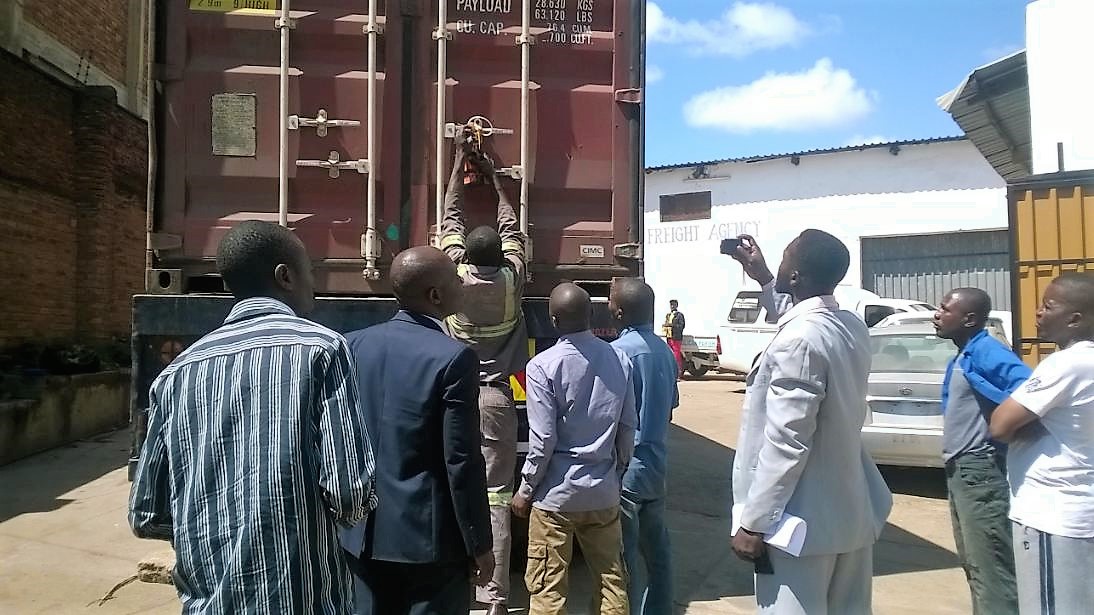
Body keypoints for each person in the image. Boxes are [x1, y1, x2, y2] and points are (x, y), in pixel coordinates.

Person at [129, 220, 378, 614]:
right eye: (310, 271)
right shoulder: (321, 349)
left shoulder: (176, 373)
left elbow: (147, 514)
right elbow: (348, 495)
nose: (314, 284)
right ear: (285, 276)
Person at [729, 230, 892, 615]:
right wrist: (764, 278)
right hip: (848, 515)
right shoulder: (849, 325)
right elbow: (797, 314)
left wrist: (755, 522)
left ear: (796, 276)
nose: (780, 261)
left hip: (798, 527)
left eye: (786, 256)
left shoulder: (799, 340)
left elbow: (787, 441)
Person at [340, 246, 494, 615]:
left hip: (361, 536)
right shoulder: (454, 357)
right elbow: (461, 460)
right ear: (435, 295)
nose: (463, 283)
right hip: (428, 545)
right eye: (456, 279)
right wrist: (479, 543)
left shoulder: (352, 345)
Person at [439, 145, 529, 614]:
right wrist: (497, 183)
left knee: (448, 487)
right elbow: (512, 229)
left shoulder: (453, 277)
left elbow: (449, 220)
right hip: (496, 400)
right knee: (496, 498)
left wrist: (458, 168)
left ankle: (449, 584)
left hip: (452, 400)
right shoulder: (513, 278)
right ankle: (495, 599)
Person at [511, 283, 638, 615]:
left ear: (553, 320)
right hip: (603, 493)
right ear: (591, 315)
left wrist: (525, 490)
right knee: (612, 583)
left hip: (555, 498)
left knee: (548, 591)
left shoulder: (542, 366)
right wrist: (616, 474)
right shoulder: (620, 359)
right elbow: (627, 427)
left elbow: (543, 439)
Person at [990, 272, 1094, 615]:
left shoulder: (1068, 363)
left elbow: (1000, 424)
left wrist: (1024, 426)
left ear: (1074, 319)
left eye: (1048, 306)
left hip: (1053, 515)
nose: (1038, 312)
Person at [934, 288, 1028, 614]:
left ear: (969, 319)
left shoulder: (987, 351)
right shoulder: (965, 355)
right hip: (963, 471)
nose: (937, 315)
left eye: (945, 309)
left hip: (981, 470)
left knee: (991, 568)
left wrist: (1000, 432)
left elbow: (1027, 390)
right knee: (976, 564)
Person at [609, 278, 680, 615]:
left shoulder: (618, 353)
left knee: (623, 558)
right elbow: (669, 408)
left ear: (620, 313)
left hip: (626, 469)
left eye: (611, 302)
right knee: (657, 554)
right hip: (655, 466)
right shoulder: (665, 352)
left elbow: (606, 414)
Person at [662, 300, 686, 377]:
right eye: (671, 305)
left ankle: (678, 372)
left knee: (676, 355)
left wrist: (672, 325)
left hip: (676, 337)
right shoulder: (668, 315)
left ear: (676, 306)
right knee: (670, 355)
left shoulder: (679, 315)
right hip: (669, 337)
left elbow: (681, 326)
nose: (672, 306)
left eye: (674, 305)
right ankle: (671, 371)